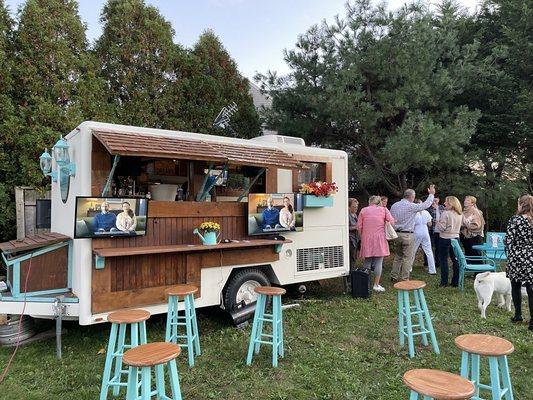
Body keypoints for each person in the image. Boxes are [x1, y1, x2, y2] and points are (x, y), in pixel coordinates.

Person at [390, 185, 435, 281]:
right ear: (411, 196)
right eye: (413, 197)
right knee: (407, 257)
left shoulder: (394, 206)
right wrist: (431, 194)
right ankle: (405, 278)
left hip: (396, 234)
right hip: (407, 234)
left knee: (398, 256)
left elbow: (391, 220)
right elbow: (425, 205)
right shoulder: (411, 206)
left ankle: (394, 276)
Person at [504, 194, 533, 331]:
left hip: (517, 256)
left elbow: (508, 240)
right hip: (531, 256)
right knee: (531, 287)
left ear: (522, 205)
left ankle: (518, 315)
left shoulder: (516, 220)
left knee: (515, 285)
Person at [358, 195, 395, 292]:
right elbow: (392, 222)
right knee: (379, 261)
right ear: (379, 202)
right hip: (380, 238)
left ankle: (365, 283)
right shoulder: (384, 209)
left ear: (370, 201)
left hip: (366, 238)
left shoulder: (363, 210)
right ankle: (376, 284)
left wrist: (362, 237)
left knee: (367, 261)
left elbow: (359, 227)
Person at [436, 196, 462, 287]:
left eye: (446, 202)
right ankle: (455, 282)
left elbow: (442, 228)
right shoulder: (459, 214)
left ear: (451, 203)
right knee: (455, 260)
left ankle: (444, 282)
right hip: (456, 238)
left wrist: (437, 222)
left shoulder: (445, 213)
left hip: (445, 238)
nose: (444, 203)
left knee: (444, 260)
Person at [410, 200, 436, 275]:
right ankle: (432, 270)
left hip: (417, 231)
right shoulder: (426, 212)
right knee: (429, 251)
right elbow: (430, 224)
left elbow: (412, 224)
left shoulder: (414, 213)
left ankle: (409, 268)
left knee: (413, 250)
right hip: (425, 231)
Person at [460, 195, 485, 263]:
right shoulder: (464, 211)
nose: (465, 201)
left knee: (476, 256)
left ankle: (479, 272)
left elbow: (477, 226)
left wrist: (465, 225)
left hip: (475, 237)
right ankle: (472, 270)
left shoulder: (475, 212)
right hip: (466, 237)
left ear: (472, 203)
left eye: (468, 200)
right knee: (469, 255)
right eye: (465, 200)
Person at [426, 196, 444, 269]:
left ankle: (438, 263)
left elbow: (443, 216)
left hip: (439, 231)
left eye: (435, 200)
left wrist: (437, 208)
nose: (434, 202)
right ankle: (426, 263)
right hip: (431, 230)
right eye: (433, 201)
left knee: (438, 248)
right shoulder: (428, 208)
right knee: (428, 246)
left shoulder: (441, 207)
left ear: (439, 200)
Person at [348, 198, 359, 270]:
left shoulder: (354, 214)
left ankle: (353, 275)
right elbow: (346, 228)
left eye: (357, 207)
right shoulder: (346, 215)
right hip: (350, 240)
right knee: (351, 258)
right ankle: (350, 277)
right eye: (354, 207)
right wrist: (355, 227)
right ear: (348, 207)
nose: (356, 208)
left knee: (354, 258)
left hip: (355, 239)